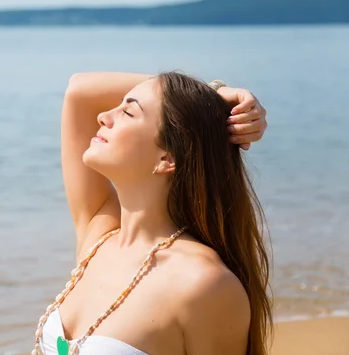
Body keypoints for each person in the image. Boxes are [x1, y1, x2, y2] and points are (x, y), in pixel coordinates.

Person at [31, 72, 272, 355]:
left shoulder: (201, 282)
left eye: (128, 112)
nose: (104, 117)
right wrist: (212, 93)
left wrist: (200, 102)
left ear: (168, 158)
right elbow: (79, 91)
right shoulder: (98, 240)